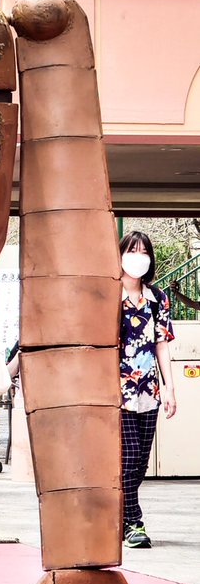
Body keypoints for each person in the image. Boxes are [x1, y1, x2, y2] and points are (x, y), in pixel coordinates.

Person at [119, 230, 176, 549]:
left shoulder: (157, 298)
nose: (138, 257)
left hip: (148, 391)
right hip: (117, 391)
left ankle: (120, 517)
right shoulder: (108, 295)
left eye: (143, 252)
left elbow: (161, 345)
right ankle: (133, 522)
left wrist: (169, 389)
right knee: (128, 458)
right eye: (131, 251)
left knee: (140, 461)